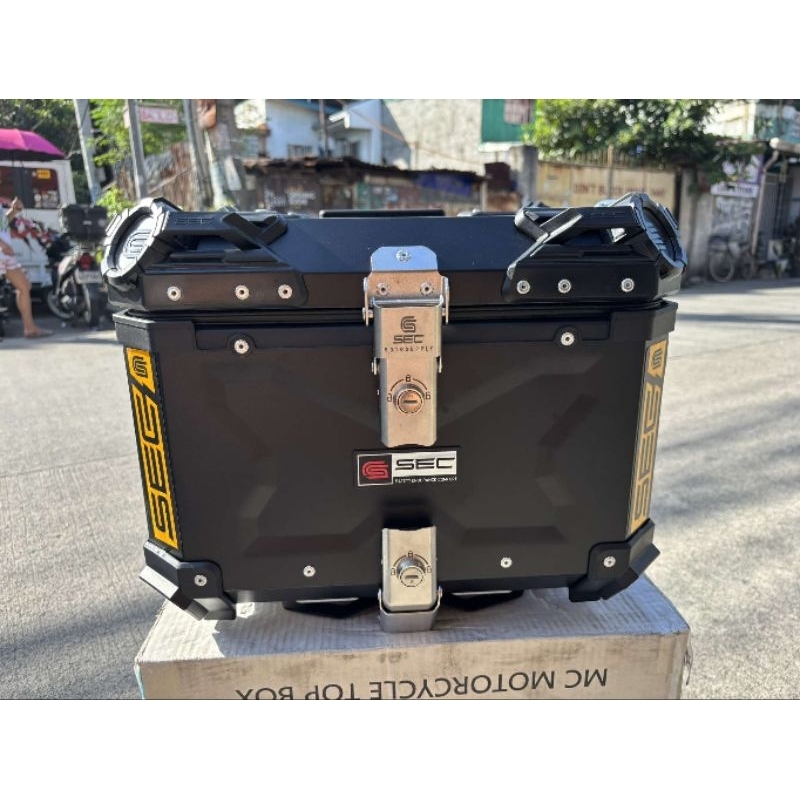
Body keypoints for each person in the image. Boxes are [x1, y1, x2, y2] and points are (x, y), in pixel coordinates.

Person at [0, 197, 51, 338]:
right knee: (23, 286)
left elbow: (1, 223)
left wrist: (13, 211)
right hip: (3, 251)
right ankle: (29, 328)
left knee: (24, 286)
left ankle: (30, 328)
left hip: (5, 254)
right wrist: (2, 245)